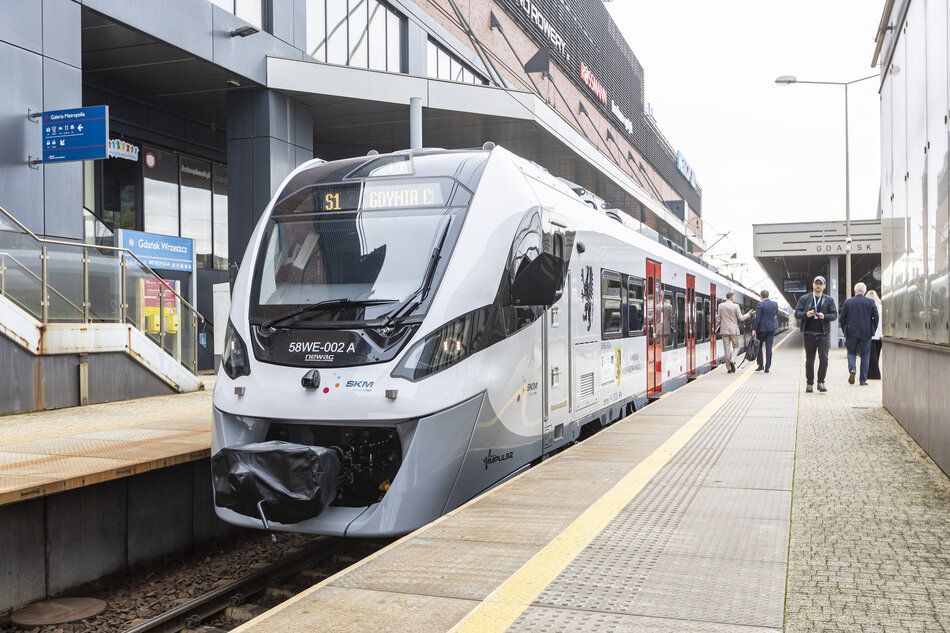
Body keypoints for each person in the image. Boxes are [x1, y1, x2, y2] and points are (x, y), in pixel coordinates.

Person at [794, 275, 838, 393]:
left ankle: (821, 382)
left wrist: (825, 316)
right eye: (816, 283)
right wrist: (806, 314)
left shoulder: (829, 300)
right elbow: (797, 313)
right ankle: (809, 383)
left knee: (824, 358)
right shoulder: (805, 299)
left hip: (823, 334)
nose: (818, 286)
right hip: (809, 334)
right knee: (810, 360)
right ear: (813, 285)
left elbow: (834, 315)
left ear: (824, 286)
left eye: (820, 284)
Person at [839, 282, 879, 386]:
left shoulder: (848, 302)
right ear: (865, 291)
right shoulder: (870, 302)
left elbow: (842, 319)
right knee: (865, 355)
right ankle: (863, 380)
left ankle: (852, 369)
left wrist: (845, 330)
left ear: (854, 291)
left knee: (851, 353)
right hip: (866, 333)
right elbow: (876, 317)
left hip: (851, 333)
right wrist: (872, 329)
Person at [717, 291, 754, 373]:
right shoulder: (736, 306)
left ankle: (728, 369)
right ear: (732, 297)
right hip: (734, 331)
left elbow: (718, 319)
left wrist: (718, 327)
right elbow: (741, 318)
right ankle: (733, 360)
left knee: (726, 350)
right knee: (736, 347)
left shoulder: (720, 306)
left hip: (724, 331)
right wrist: (748, 314)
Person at [751, 289, 778, 373]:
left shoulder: (760, 304)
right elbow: (775, 313)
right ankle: (767, 367)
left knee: (759, 346)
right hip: (771, 329)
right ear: (768, 295)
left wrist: (754, 329)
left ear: (761, 296)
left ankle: (760, 365)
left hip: (761, 329)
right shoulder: (775, 304)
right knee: (769, 348)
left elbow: (758, 318)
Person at [866, 289, 883, 380]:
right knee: (876, 354)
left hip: (871, 334)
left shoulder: (868, 306)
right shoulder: (881, 307)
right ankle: (874, 373)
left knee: (872, 356)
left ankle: (873, 373)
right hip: (879, 334)